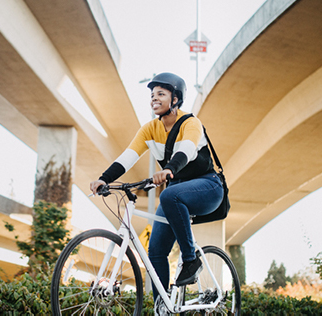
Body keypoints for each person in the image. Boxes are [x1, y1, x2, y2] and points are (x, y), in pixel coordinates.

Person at [89, 72, 223, 299]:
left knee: (169, 195)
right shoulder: (150, 128)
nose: (154, 98)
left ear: (176, 99)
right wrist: (104, 179)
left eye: (161, 93)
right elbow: (128, 157)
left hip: (208, 187)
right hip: (177, 191)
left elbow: (186, 151)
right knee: (156, 251)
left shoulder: (191, 123)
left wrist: (169, 169)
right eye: (152, 95)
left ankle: (191, 260)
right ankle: (163, 306)